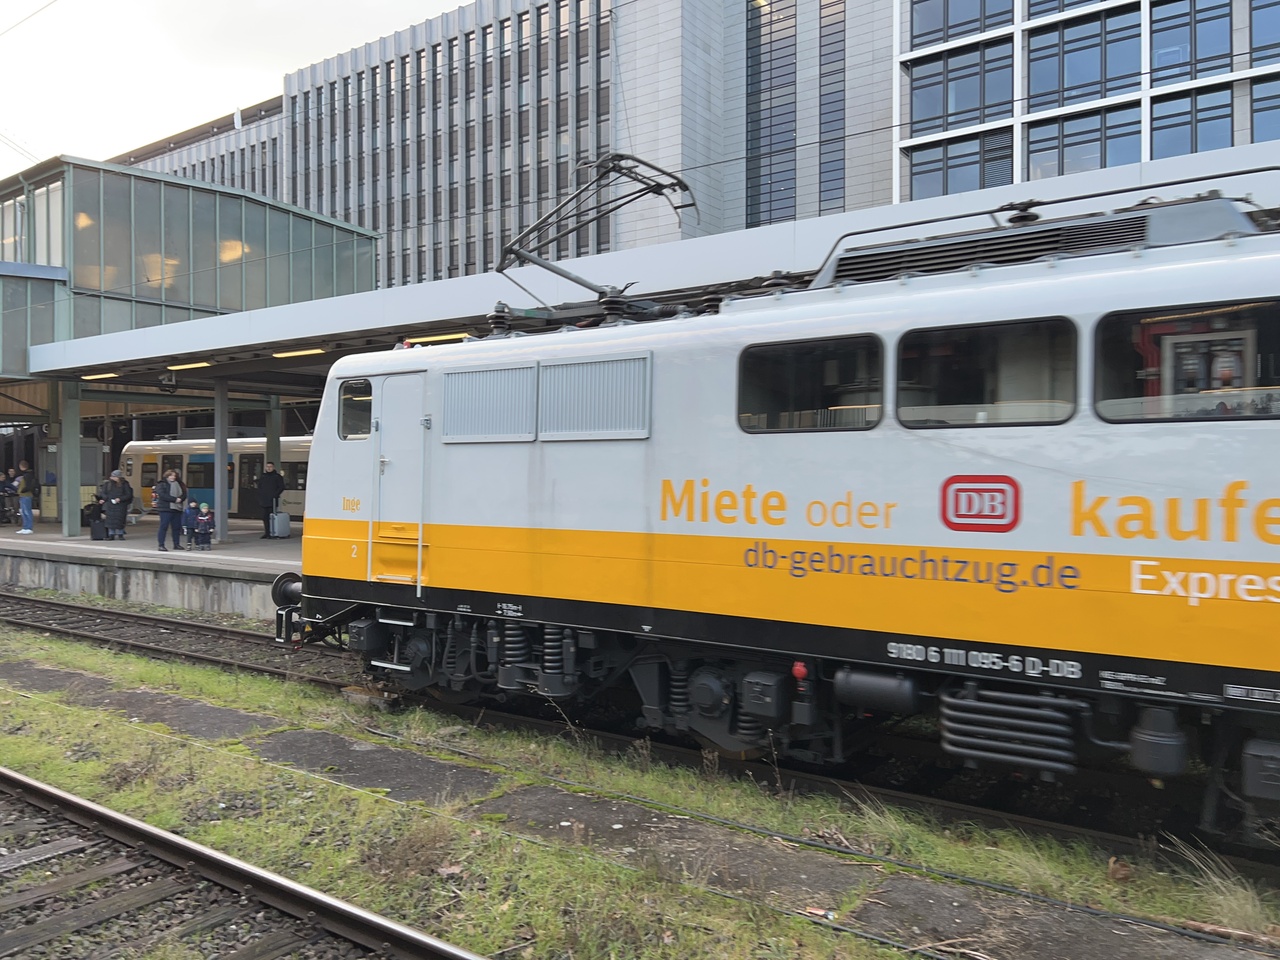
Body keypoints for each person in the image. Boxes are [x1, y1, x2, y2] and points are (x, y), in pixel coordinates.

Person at [152, 469, 187, 551]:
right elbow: (162, 495)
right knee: (163, 527)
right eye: (171, 475)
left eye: (174, 476)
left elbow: (184, 494)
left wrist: (180, 499)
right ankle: (161, 545)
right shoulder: (162, 484)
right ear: (167, 476)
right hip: (165, 508)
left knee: (176, 527)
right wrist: (174, 499)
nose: (173, 477)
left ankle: (176, 544)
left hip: (177, 508)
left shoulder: (180, 484)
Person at [96, 469, 134, 541]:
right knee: (111, 520)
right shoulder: (108, 484)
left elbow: (128, 495)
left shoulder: (125, 484)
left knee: (119, 520)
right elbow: (103, 493)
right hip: (111, 505)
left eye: (114, 476)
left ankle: (120, 534)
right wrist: (104, 499)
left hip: (121, 505)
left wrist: (120, 499)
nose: (112, 478)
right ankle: (111, 534)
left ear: (118, 477)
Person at [256, 461, 286, 539]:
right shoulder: (263, 476)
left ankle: (273, 532)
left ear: (273, 468)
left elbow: (281, 487)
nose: (269, 468)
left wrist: (275, 495)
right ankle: (267, 533)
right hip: (264, 500)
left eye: (270, 467)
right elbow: (260, 487)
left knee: (272, 517)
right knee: (265, 517)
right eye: (267, 467)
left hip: (273, 500)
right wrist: (260, 496)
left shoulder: (277, 477)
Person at [13, 460, 34, 535]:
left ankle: (29, 528)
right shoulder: (28, 474)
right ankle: (25, 527)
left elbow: (28, 486)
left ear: (21, 466)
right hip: (24, 495)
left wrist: (21, 490)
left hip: (26, 495)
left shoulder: (26, 475)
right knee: (24, 512)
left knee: (27, 512)